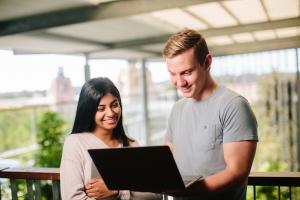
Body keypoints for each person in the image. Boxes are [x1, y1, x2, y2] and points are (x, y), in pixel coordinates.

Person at [162, 29, 258, 200]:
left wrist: (188, 192)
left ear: (207, 63)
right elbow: (166, 162)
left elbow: (237, 173)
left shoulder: (234, 106)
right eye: (172, 74)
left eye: (186, 72)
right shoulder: (177, 109)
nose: (179, 82)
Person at [60, 77, 161, 200]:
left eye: (114, 105)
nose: (111, 113)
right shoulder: (75, 143)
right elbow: (72, 197)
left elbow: (155, 194)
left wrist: (118, 191)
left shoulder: (131, 144)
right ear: (89, 111)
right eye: (101, 109)